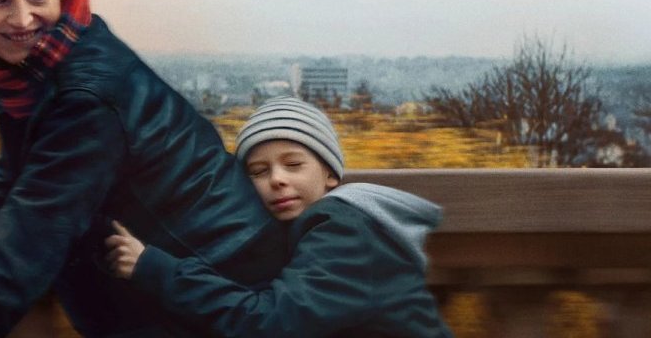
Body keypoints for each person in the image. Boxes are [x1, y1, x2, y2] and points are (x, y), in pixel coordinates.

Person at [0, 0, 289, 337]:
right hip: (180, 293)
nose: (22, 18)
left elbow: (28, 242)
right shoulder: (30, 74)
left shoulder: (86, 94)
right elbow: (2, 209)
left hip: (221, 300)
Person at [106, 96, 453, 337]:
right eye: (258, 171)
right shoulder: (329, 226)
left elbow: (270, 325)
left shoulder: (344, 230)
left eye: (293, 164)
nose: (277, 179)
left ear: (330, 174)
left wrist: (154, 267)